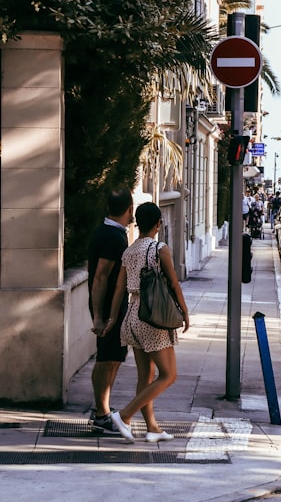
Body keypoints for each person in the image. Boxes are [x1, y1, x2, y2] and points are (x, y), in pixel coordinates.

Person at [103, 202, 190, 443]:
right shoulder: (159, 248)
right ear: (158, 224)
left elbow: (120, 288)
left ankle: (152, 427)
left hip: (132, 316)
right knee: (169, 375)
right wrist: (184, 312)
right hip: (152, 318)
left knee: (146, 376)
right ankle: (125, 415)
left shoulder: (129, 251)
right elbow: (174, 283)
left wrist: (112, 318)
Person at [87, 187, 134, 435]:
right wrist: (100, 315)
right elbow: (101, 278)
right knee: (106, 359)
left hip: (110, 307)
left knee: (113, 357)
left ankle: (102, 409)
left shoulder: (108, 232)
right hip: (107, 307)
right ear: (130, 208)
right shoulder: (114, 237)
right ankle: (101, 415)